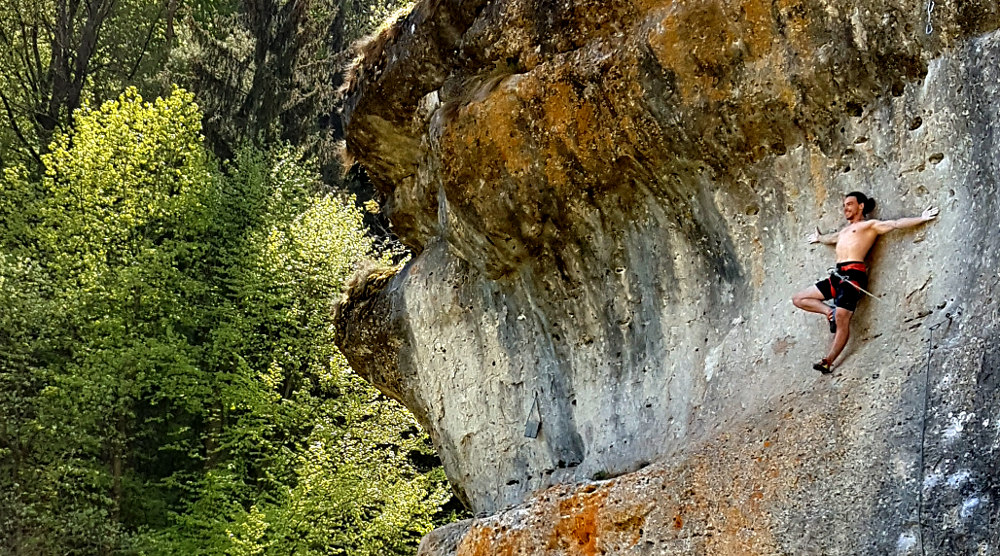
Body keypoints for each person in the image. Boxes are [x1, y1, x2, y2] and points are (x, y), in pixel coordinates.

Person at [791, 192, 939, 374]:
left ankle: (828, 361)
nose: (845, 208)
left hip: (853, 275)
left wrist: (921, 218)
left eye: (849, 204)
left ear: (861, 206)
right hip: (837, 276)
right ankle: (829, 311)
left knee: (842, 319)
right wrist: (819, 238)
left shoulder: (869, 226)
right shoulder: (843, 231)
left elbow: (895, 224)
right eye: (844, 205)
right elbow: (831, 238)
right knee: (799, 299)